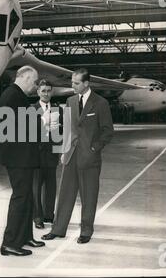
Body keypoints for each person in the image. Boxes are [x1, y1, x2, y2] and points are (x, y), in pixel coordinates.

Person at [42, 68, 114, 244]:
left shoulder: (100, 103)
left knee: (89, 196)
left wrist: (94, 148)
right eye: (72, 82)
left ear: (86, 83)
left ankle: (86, 231)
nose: (71, 85)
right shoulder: (70, 101)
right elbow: (67, 129)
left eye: (76, 83)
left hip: (89, 157)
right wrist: (63, 151)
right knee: (65, 194)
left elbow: (108, 131)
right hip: (71, 155)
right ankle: (58, 230)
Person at [0, 65, 51, 256]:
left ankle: (25, 237)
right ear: (26, 78)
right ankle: (9, 243)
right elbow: (15, 127)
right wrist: (42, 121)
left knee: (27, 197)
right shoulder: (12, 96)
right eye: (35, 81)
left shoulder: (16, 96)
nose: (35, 85)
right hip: (17, 157)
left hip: (22, 156)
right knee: (20, 198)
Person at [33, 79, 63, 229]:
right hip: (36, 155)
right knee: (36, 187)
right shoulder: (31, 109)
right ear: (38, 91)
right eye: (43, 90)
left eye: (48, 90)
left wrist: (62, 150)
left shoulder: (58, 110)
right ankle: (37, 217)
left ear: (52, 92)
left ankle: (49, 215)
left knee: (51, 186)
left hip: (52, 154)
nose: (46, 93)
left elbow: (63, 132)